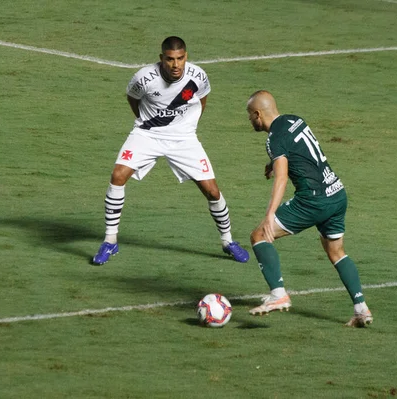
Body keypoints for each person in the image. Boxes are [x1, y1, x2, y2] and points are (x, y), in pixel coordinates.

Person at [93, 36, 249, 265]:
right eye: (170, 59)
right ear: (161, 58)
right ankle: (110, 240)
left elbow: (202, 99)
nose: (176, 65)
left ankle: (228, 242)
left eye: (180, 58)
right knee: (118, 176)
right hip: (147, 134)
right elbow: (133, 98)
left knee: (212, 191)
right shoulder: (144, 78)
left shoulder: (197, 77)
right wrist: (147, 122)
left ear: (186, 56)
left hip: (184, 138)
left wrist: (188, 126)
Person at [245, 90, 372, 327]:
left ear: (258, 114)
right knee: (336, 251)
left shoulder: (274, 139)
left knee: (259, 235)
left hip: (313, 201)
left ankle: (278, 294)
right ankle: (361, 309)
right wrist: (272, 162)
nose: (250, 121)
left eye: (250, 116)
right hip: (336, 192)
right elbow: (303, 152)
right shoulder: (295, 120)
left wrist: (269, 214)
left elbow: (282, 178)